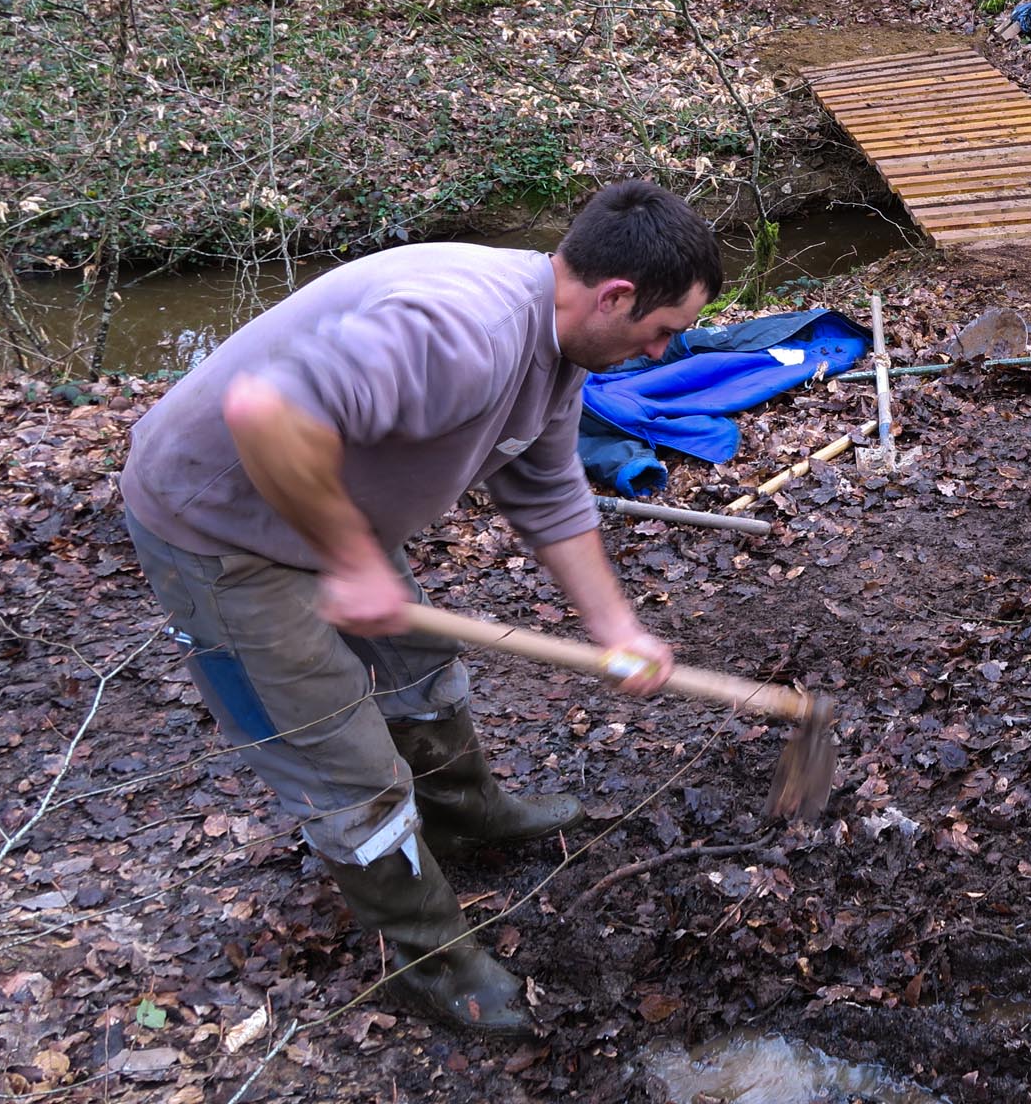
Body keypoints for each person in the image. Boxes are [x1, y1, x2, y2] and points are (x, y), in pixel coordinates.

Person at [119, 181, 720, 1030]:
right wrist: (350, 559)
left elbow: (548, 493)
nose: (661, 355)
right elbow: (264, 411)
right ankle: (431, 961)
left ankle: (464, 815)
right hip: (221, 528)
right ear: (616, 295)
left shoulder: (559, 348)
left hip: (329, 507)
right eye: (660, 332)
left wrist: (616, 628)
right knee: (342, 766)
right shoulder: (462, 332)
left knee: (419, 672)